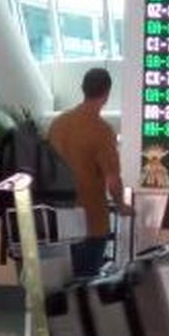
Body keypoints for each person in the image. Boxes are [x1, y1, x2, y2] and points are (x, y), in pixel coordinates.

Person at [47, 68, 133, 277]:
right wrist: (121, 206)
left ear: (82, 89)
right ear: (107, 93)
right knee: (86, 283)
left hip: (59, 218)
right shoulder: (102, 130)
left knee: (63, 283)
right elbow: (112, 180)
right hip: (91, 221)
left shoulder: (57, 124)